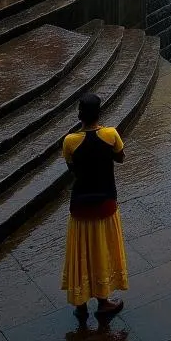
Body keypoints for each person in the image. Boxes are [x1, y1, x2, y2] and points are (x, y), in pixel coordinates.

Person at [61, 93, 128, 321]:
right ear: (99, 114)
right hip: (105, 202)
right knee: (102, 251)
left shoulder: (70, 140)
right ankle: (103, 301)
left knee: (81, 253)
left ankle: (80, 305)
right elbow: (120, 158)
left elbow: (73, 169)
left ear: (79, 115)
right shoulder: (110, 134)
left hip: (80, 204)